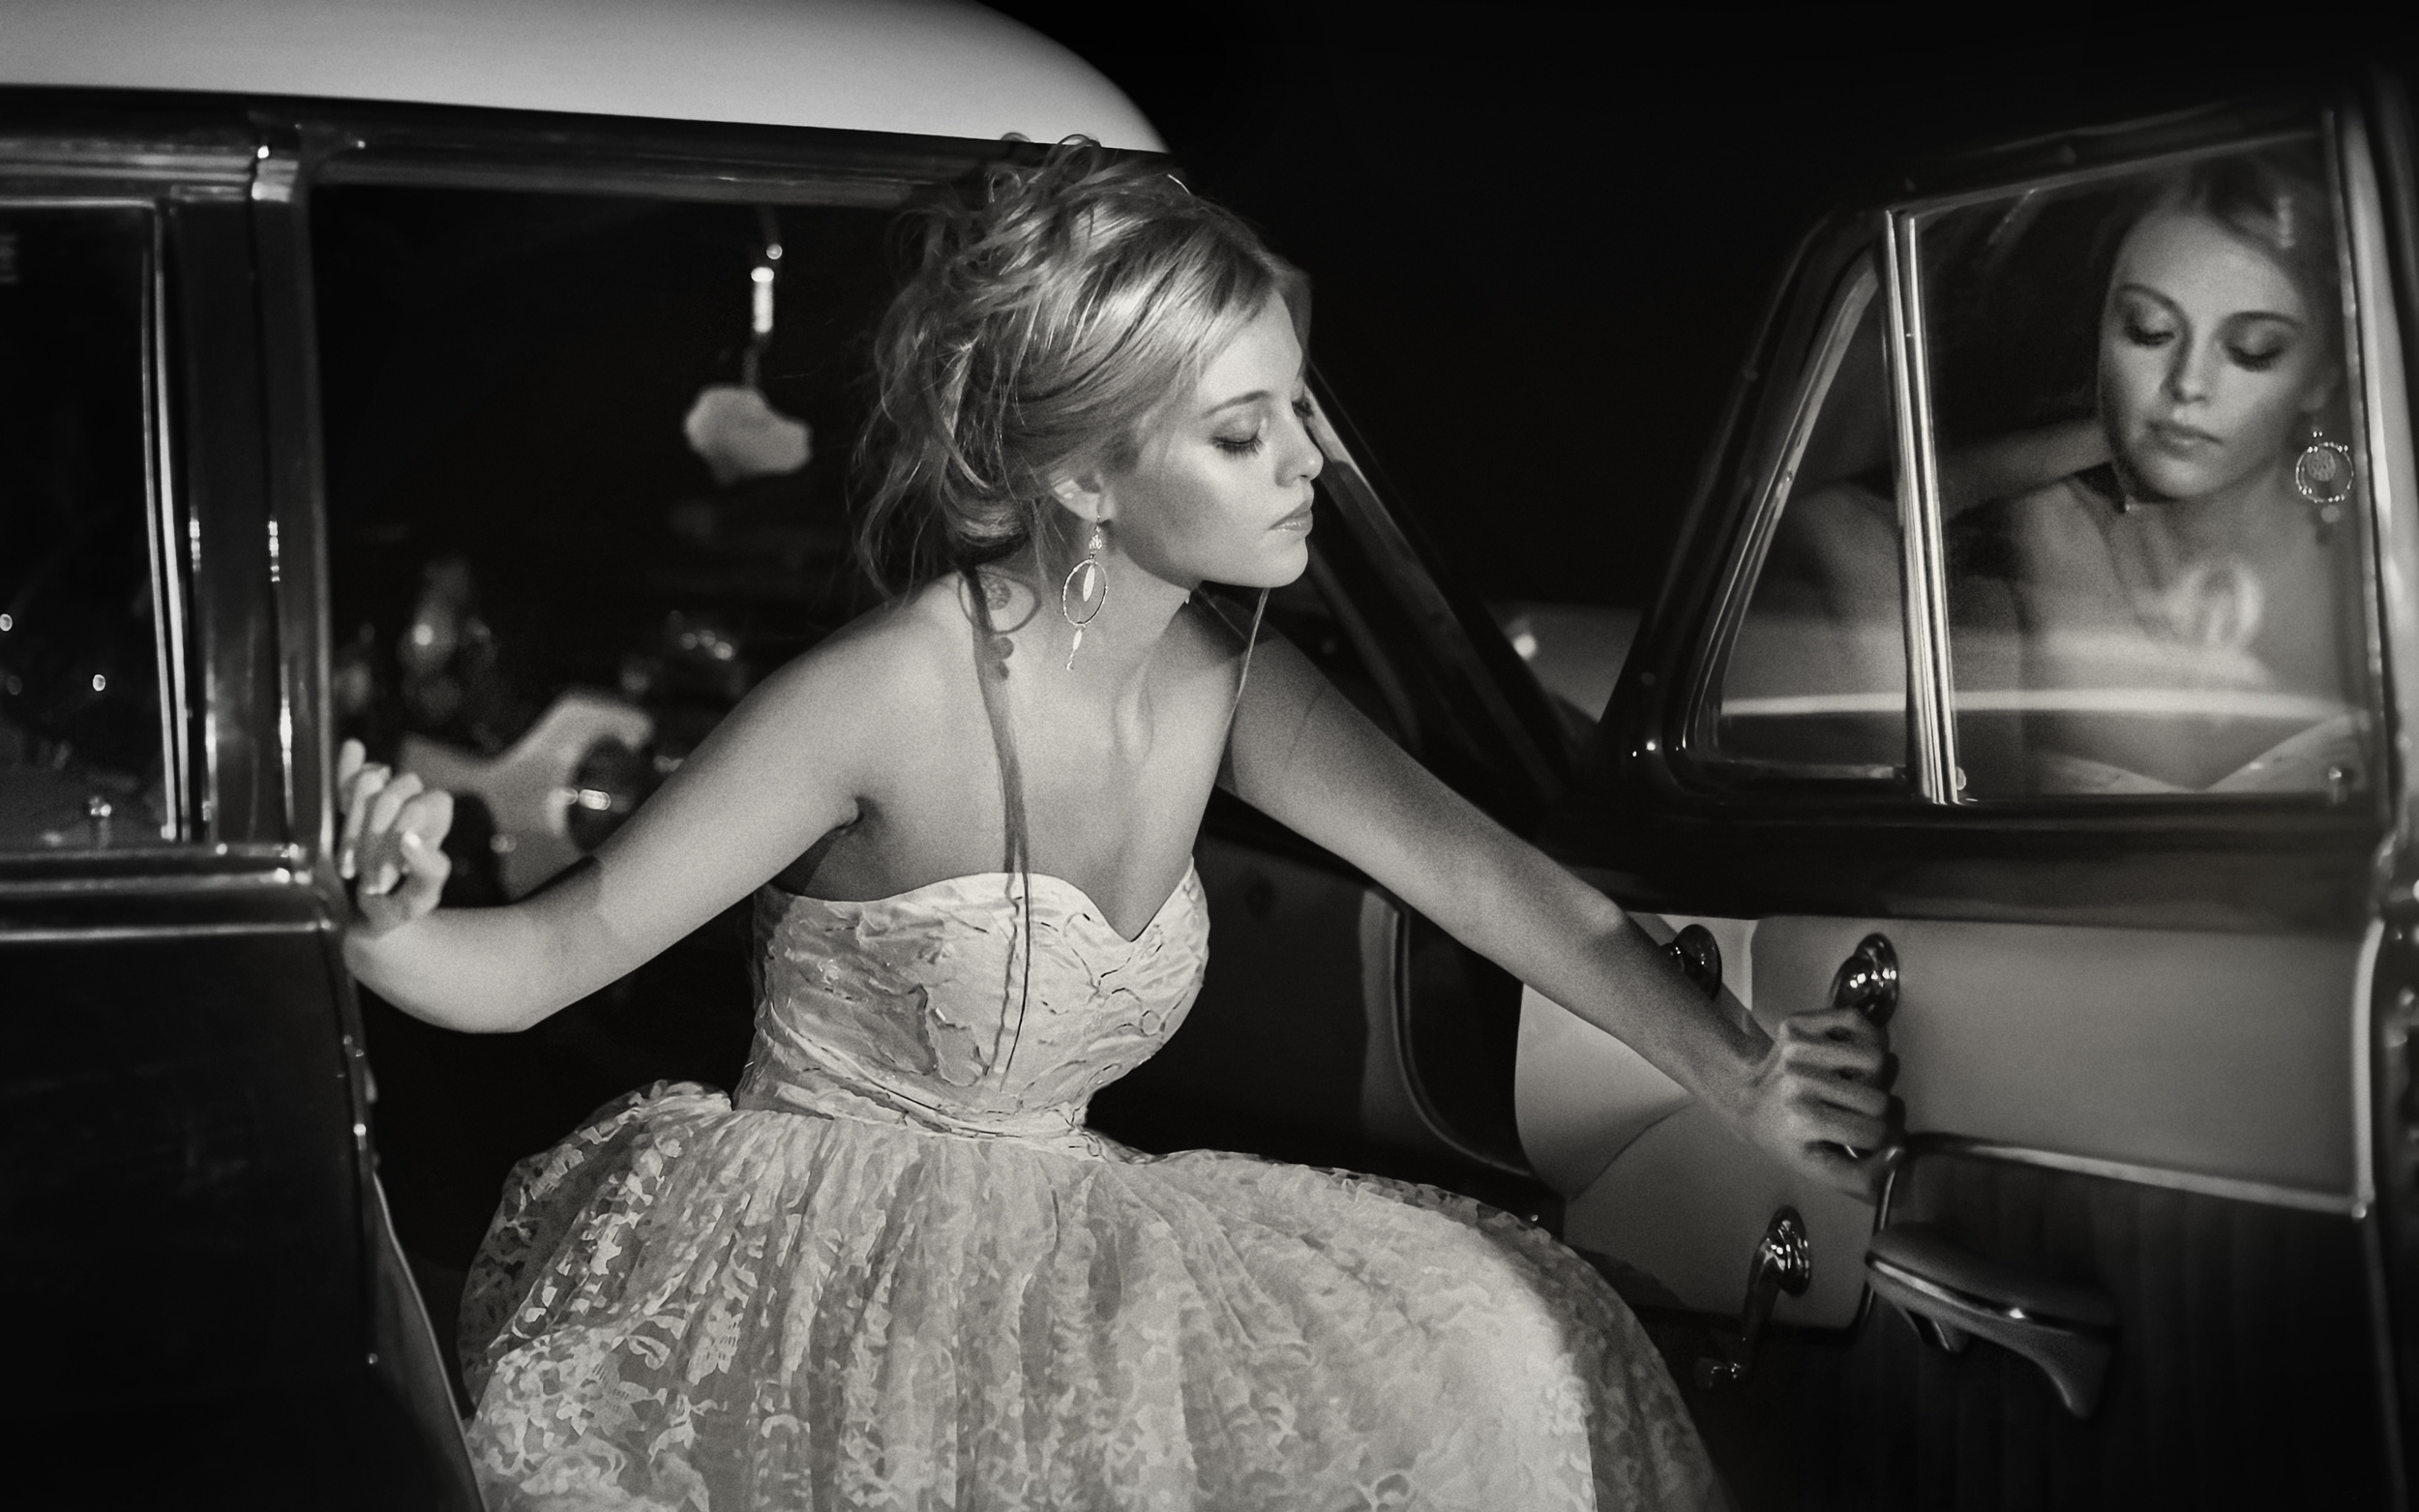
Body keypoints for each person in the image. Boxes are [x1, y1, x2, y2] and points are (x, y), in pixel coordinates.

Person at [338, 141, 1887, 1510]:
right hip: (815, 1280)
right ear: (1084, 473)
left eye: (1298, 409)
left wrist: (1736, 1071)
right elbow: (547, 957)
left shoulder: (1228, 678)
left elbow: (1481, 879)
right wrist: (385, 921)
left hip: (1065, 1251)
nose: (1309, 463)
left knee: (1512, 1349)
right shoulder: (886, 692)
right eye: (1244, 432)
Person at [1944, 147, 2361, 794]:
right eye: (2149, 330)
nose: (2188, 383)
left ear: (2322, 375)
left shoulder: (2374, 542)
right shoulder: (2016, 550)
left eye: (2252, 350)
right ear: (2100, 332)